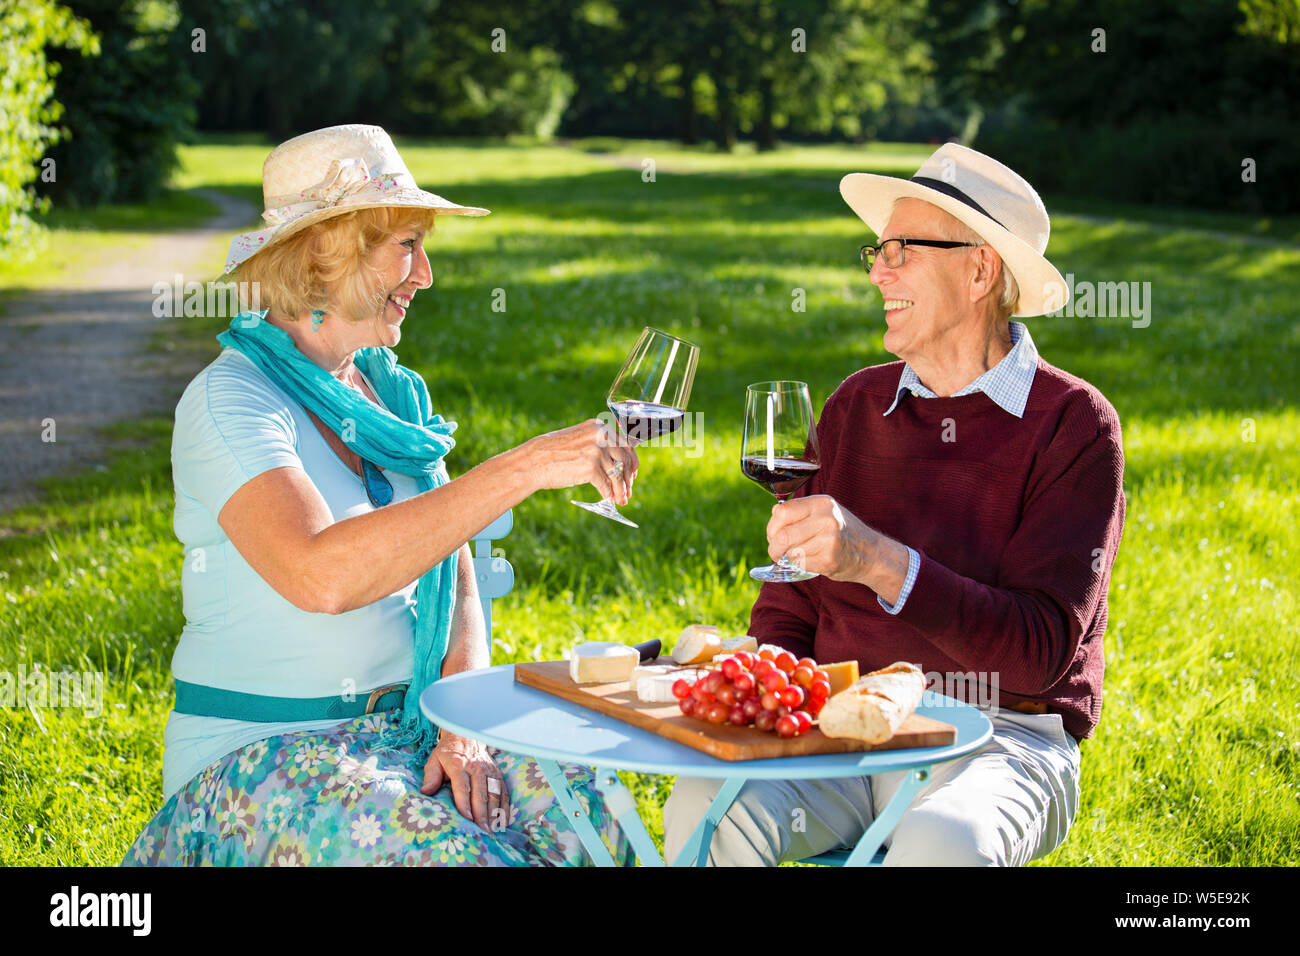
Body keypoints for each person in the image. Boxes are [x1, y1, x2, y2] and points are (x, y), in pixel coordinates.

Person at [122, 125, 637, 866]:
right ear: (325, 253)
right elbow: (320, 575)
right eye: (406, 245)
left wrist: (461, 721)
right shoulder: (231, 401)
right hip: (265, 751)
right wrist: (520, 468)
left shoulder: (389, 393)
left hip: (410, 730)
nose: (425, 273)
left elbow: (453, 573)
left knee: (589, 801)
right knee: (458, 857)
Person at [664, 143, 1125, 866]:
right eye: (877, 251)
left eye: (903, 250)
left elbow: (1037, 656)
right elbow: (791, 611)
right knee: (703, 807)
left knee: (944, 843)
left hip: (1001, 735)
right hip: (840, 722)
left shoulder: (1073, 423)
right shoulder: (857, 403)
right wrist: (768, 696)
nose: (879, 270)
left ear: (980, 269)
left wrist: (883, 564)